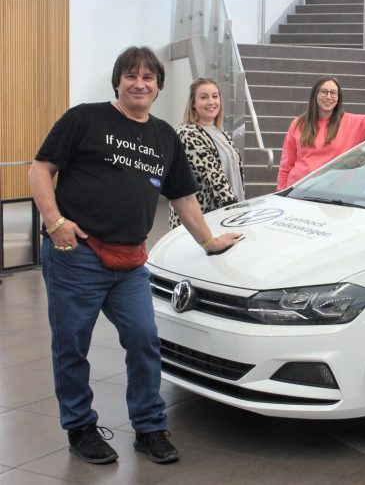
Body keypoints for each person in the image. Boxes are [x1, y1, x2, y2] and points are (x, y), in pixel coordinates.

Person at [29, 46, 242, 465]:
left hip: (129, 261)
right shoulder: (84, 118)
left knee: (144, 340)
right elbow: (40, 169)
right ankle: (80, 427)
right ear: (118, 81)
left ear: (159, 87)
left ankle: (149, 428)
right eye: (131, 76)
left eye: (148, 77)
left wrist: (209, 241)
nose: (140, 83)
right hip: (78, 254)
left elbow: (182, 195)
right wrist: (56, 223)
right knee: (72, 345)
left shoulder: (164, 136)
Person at [169, 78, 244, 228]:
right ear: (193, 104)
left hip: (228, 215)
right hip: (203, 221)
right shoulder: (188, 133)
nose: (211, 102)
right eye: (204, 97)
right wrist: (236, 213)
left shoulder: (222, 133)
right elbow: (215, 178)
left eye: (215, 96)